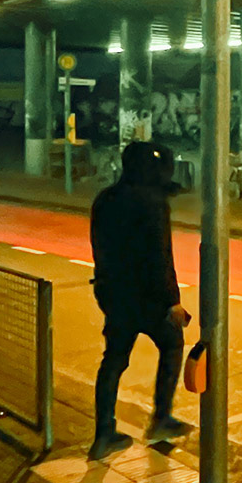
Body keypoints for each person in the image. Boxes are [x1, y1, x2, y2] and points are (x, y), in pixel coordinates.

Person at [88, 139, 191, 461]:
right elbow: (160, 256)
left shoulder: (106, 199)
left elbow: (100, 248)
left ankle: (104, 432)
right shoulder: (152, 201)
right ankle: (161, 418)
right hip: (148, 298)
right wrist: (172, 301)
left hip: (114, 294)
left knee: (114, 360)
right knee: (173, 345)